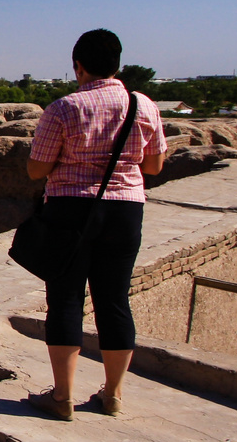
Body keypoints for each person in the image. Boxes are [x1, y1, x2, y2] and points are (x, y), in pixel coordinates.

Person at [25, 29, 167, 420]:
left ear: (78, 66)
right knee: (114, 299)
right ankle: (113, 394)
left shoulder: (63, 109)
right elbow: (153, 166)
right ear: (118, 65)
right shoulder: (145, 106)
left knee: (67, 299)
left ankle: (62, 397)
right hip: (125, 209)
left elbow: (37, 169)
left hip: (70, 209)